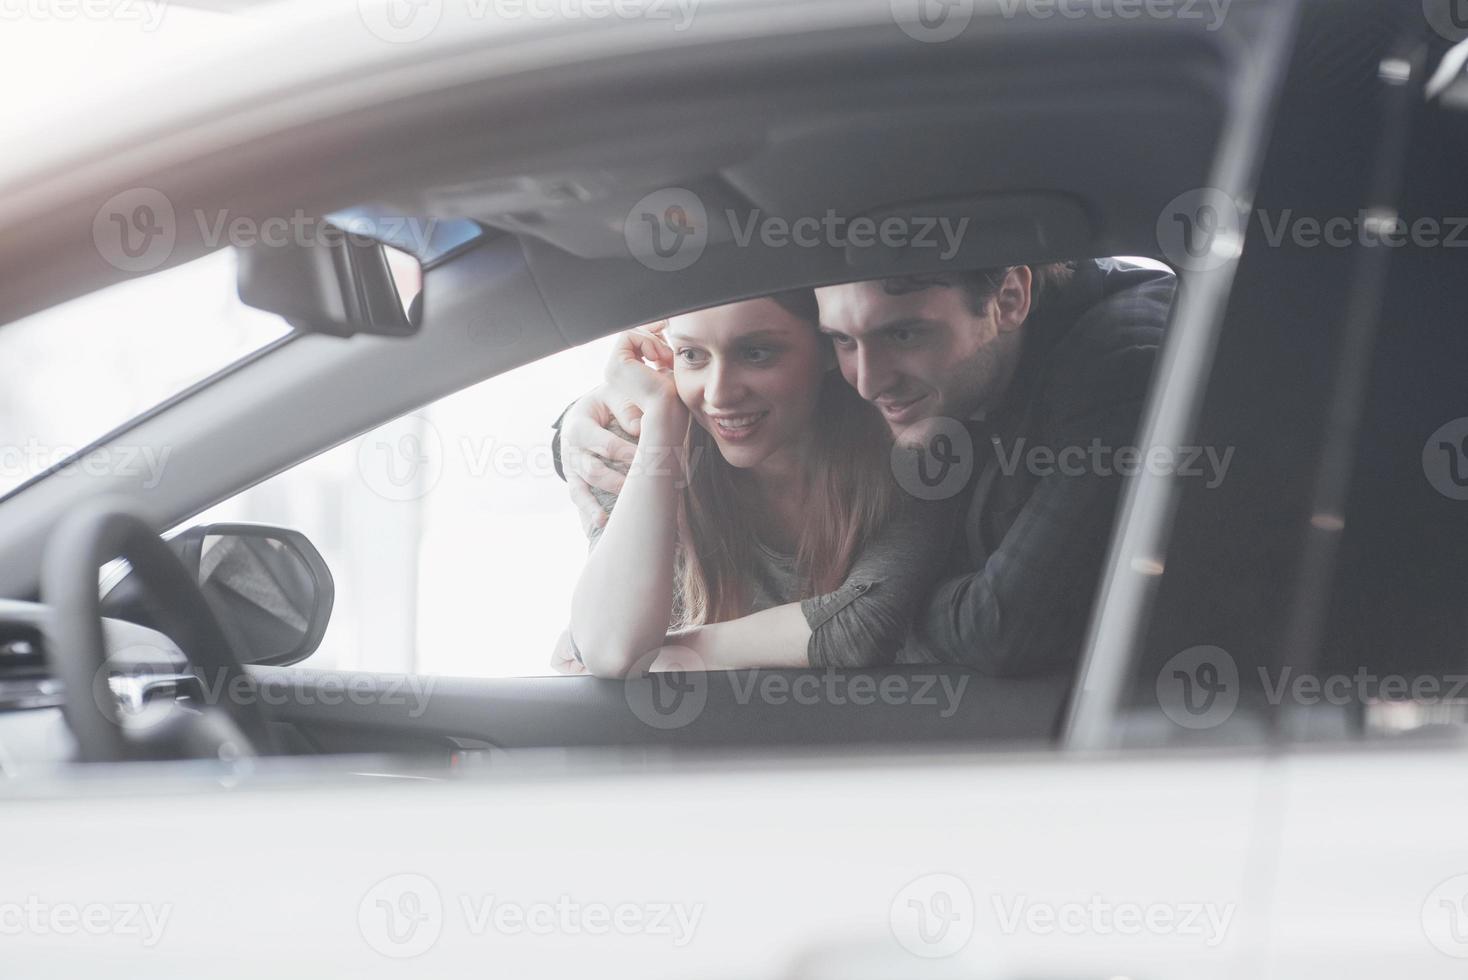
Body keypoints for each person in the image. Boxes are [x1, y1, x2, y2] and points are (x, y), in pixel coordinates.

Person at [557, 259, 1176, 676]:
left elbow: (983, 626)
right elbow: (608, 650)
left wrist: (880, 615)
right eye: (845, 342)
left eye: (904, 335)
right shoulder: (650, 443)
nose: (869, 380)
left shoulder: (915, 446)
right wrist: (644, 419)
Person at [565, 290, 951, 678]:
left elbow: (861, 627)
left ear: (829, 348)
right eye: (691, 355)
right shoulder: (636, 447)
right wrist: (662, 417)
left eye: (756, 354)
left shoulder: (903, 453)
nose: (719, 394)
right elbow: (611, 651)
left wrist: (655, 654)